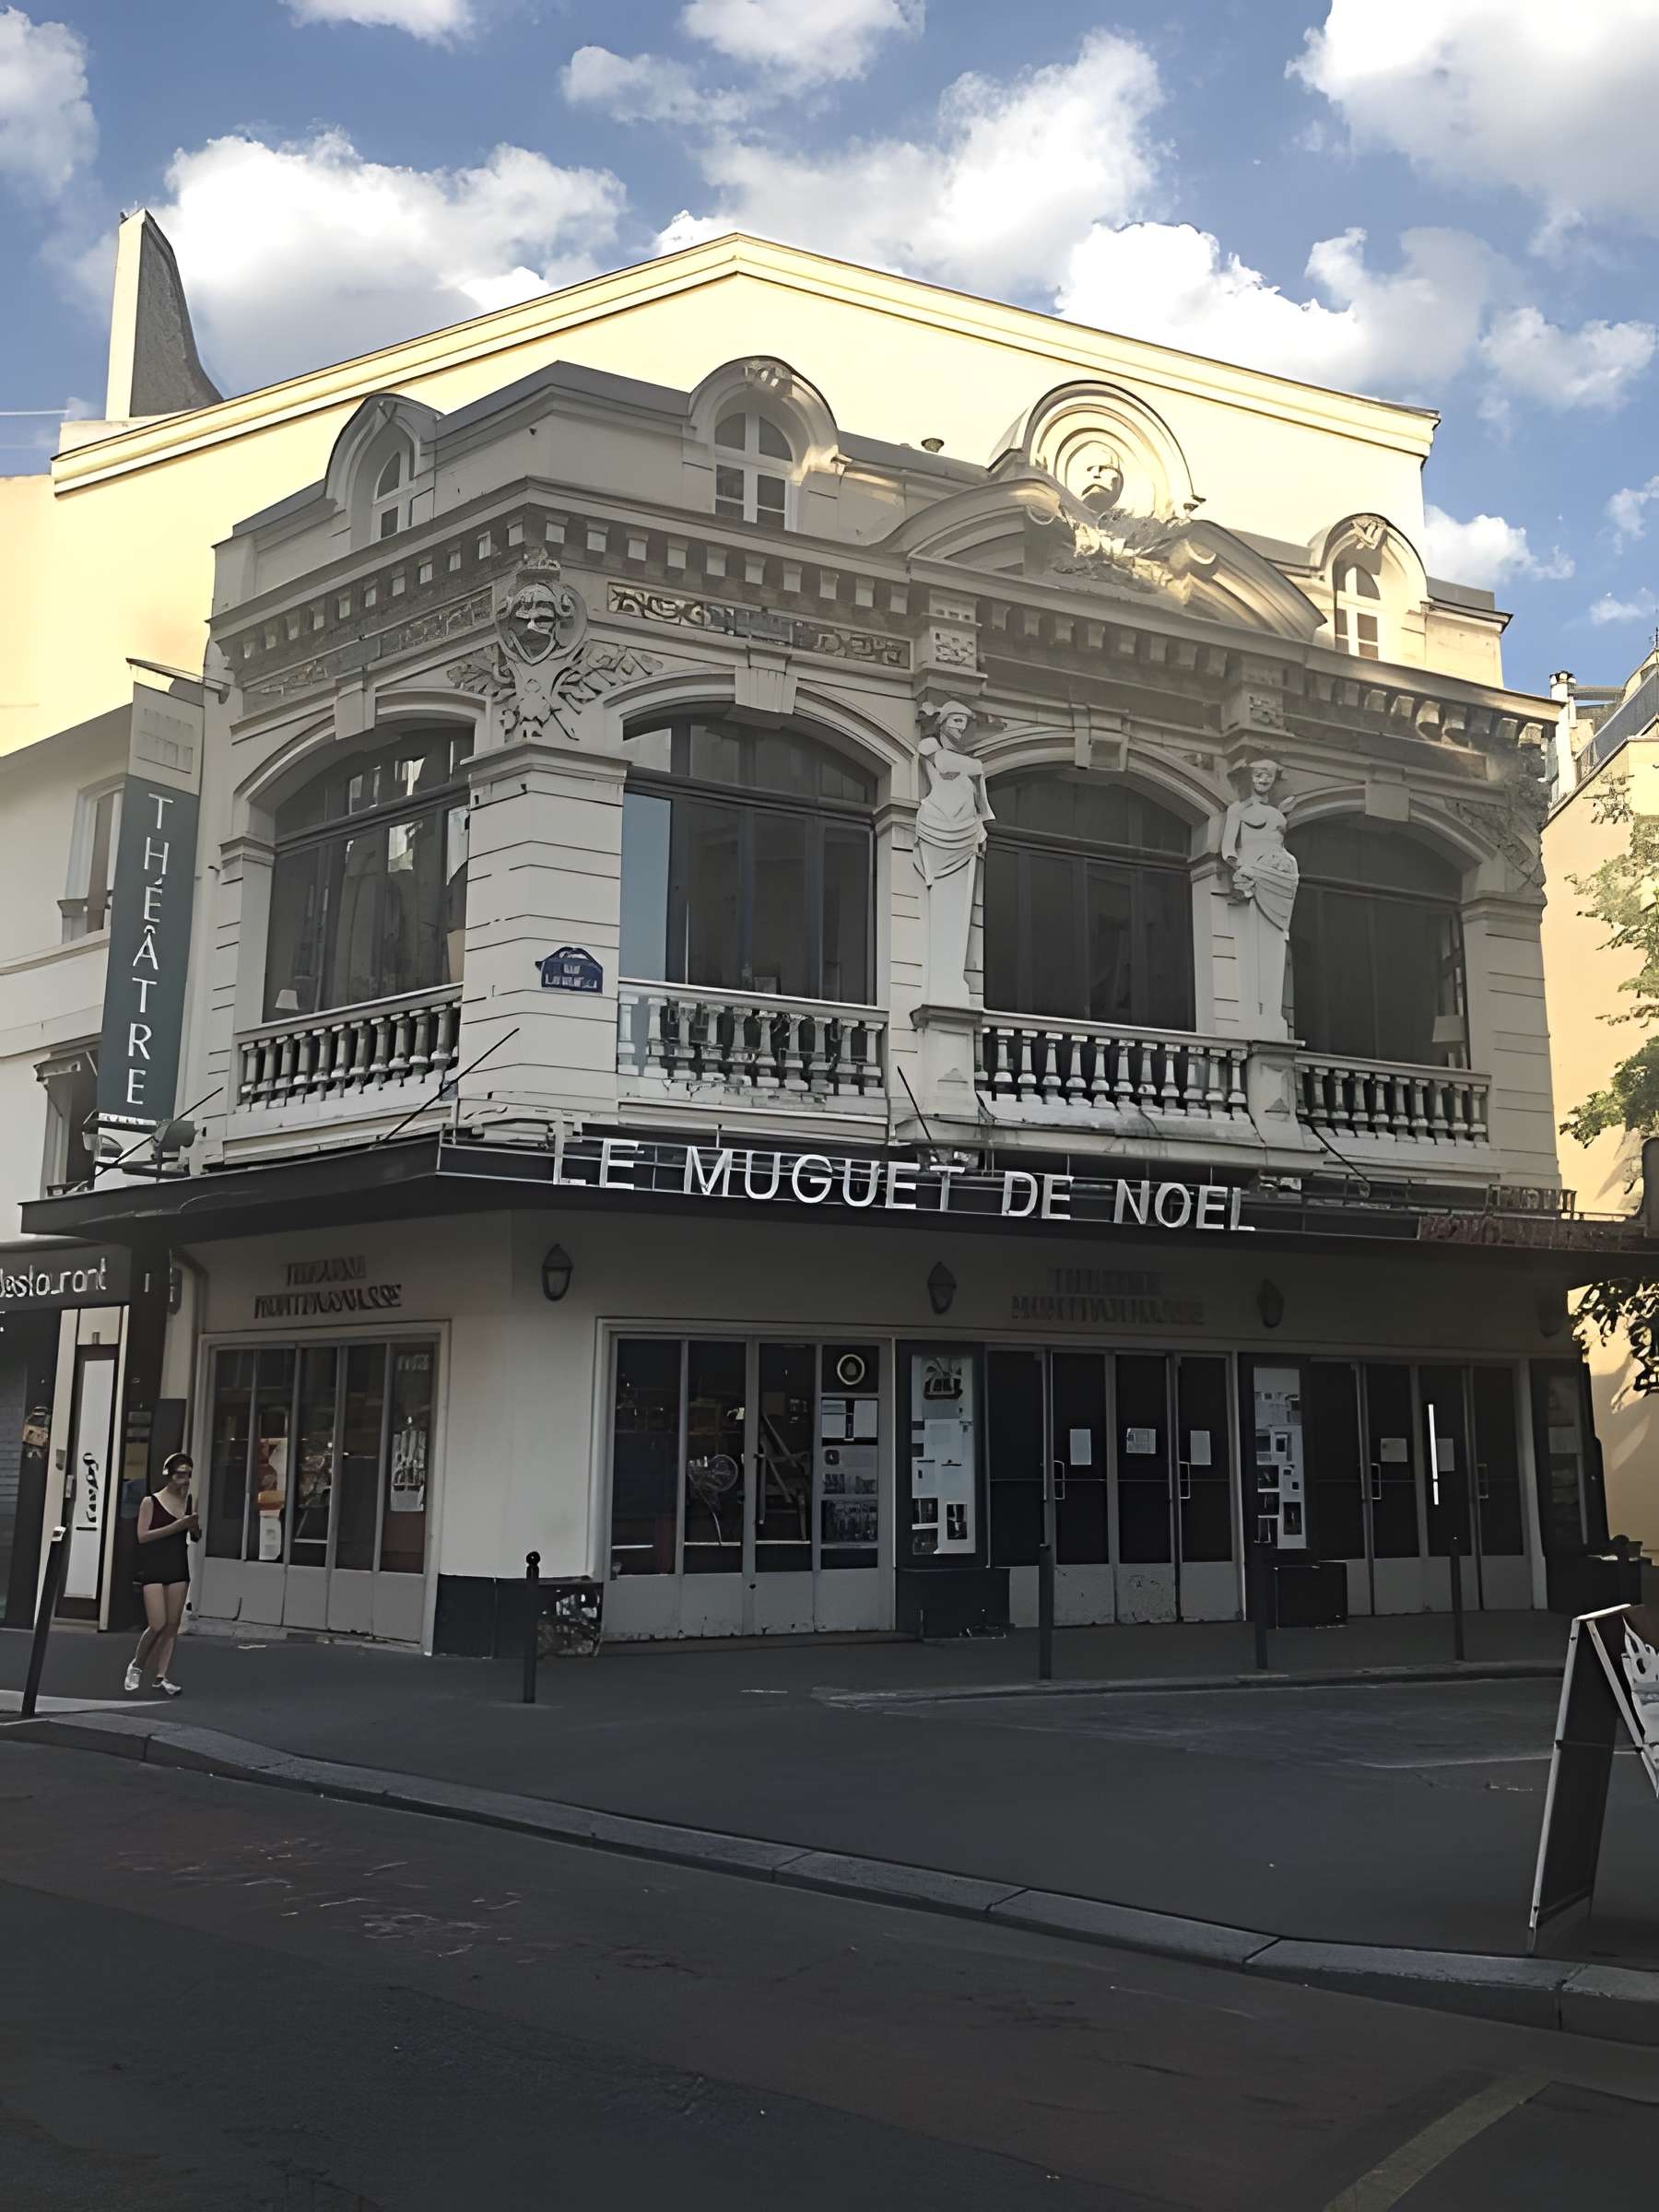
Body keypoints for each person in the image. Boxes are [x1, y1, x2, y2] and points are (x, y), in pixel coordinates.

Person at [125, 1453, 198, 1697]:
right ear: (169, 1475)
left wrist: (192, 1525)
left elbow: (196, 1536)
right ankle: (137, 1665)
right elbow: (142, 1536)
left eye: (188, 1474)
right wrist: (175, 1527)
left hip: (178, 1565)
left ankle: (162, 1676)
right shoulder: (151, 1502)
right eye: (180, 1474)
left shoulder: (188, 1501)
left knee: (171, 1625)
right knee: (157, 1623)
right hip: (154, 1566)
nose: (184, 1479)